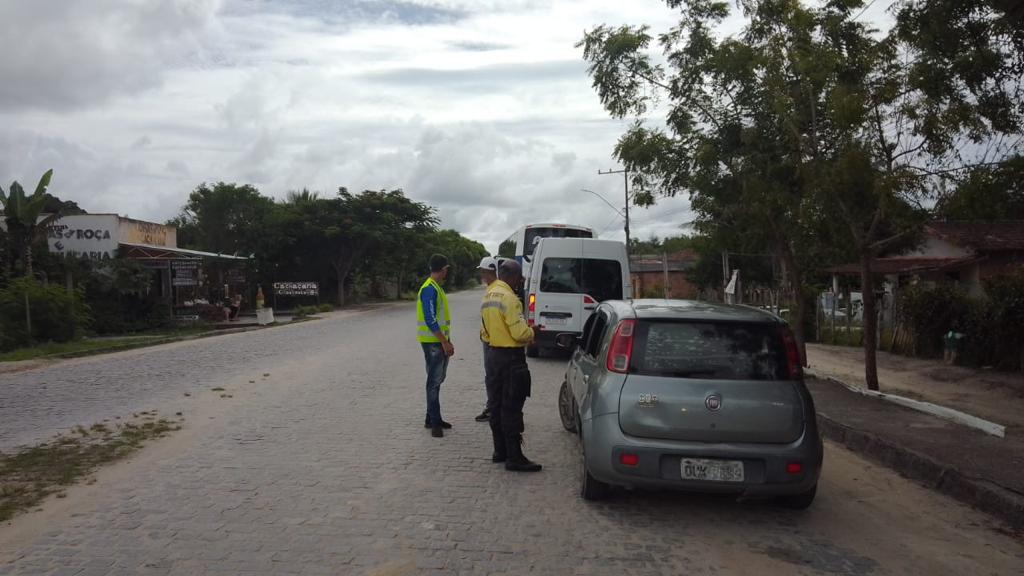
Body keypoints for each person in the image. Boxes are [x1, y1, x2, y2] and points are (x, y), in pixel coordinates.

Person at [481, 259, 542, 472]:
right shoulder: (510, 299)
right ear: (513, 276)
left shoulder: (488, 295)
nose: (521, 281)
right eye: (520, 277)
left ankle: (500, 451)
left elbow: (484, 332)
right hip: (511, 359)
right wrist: (533, 332)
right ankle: (515, 457)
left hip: (493, 356)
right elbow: (519, 333)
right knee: (512, 407)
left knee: (496, 405)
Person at [417, 253, 454, 438]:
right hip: (433, 344)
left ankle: (432, 417)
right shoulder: (429, 289)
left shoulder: (435, 287)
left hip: (437, 342)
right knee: (433, 382)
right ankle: (435, 423)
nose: (447, 272)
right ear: (442, 269)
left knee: (437, 380)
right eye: (446, 269)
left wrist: (447, 340)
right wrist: (444, 342)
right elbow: (430, 319)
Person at [475, 256, 500, 423]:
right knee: (491, 376)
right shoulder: (491, 289)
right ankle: (493, 406)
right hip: (489, 340)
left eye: (482, 271)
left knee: (493, 376)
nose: (481, 275)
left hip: (493, 342)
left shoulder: (496, 291)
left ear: (489, 271)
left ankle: (494, 408)